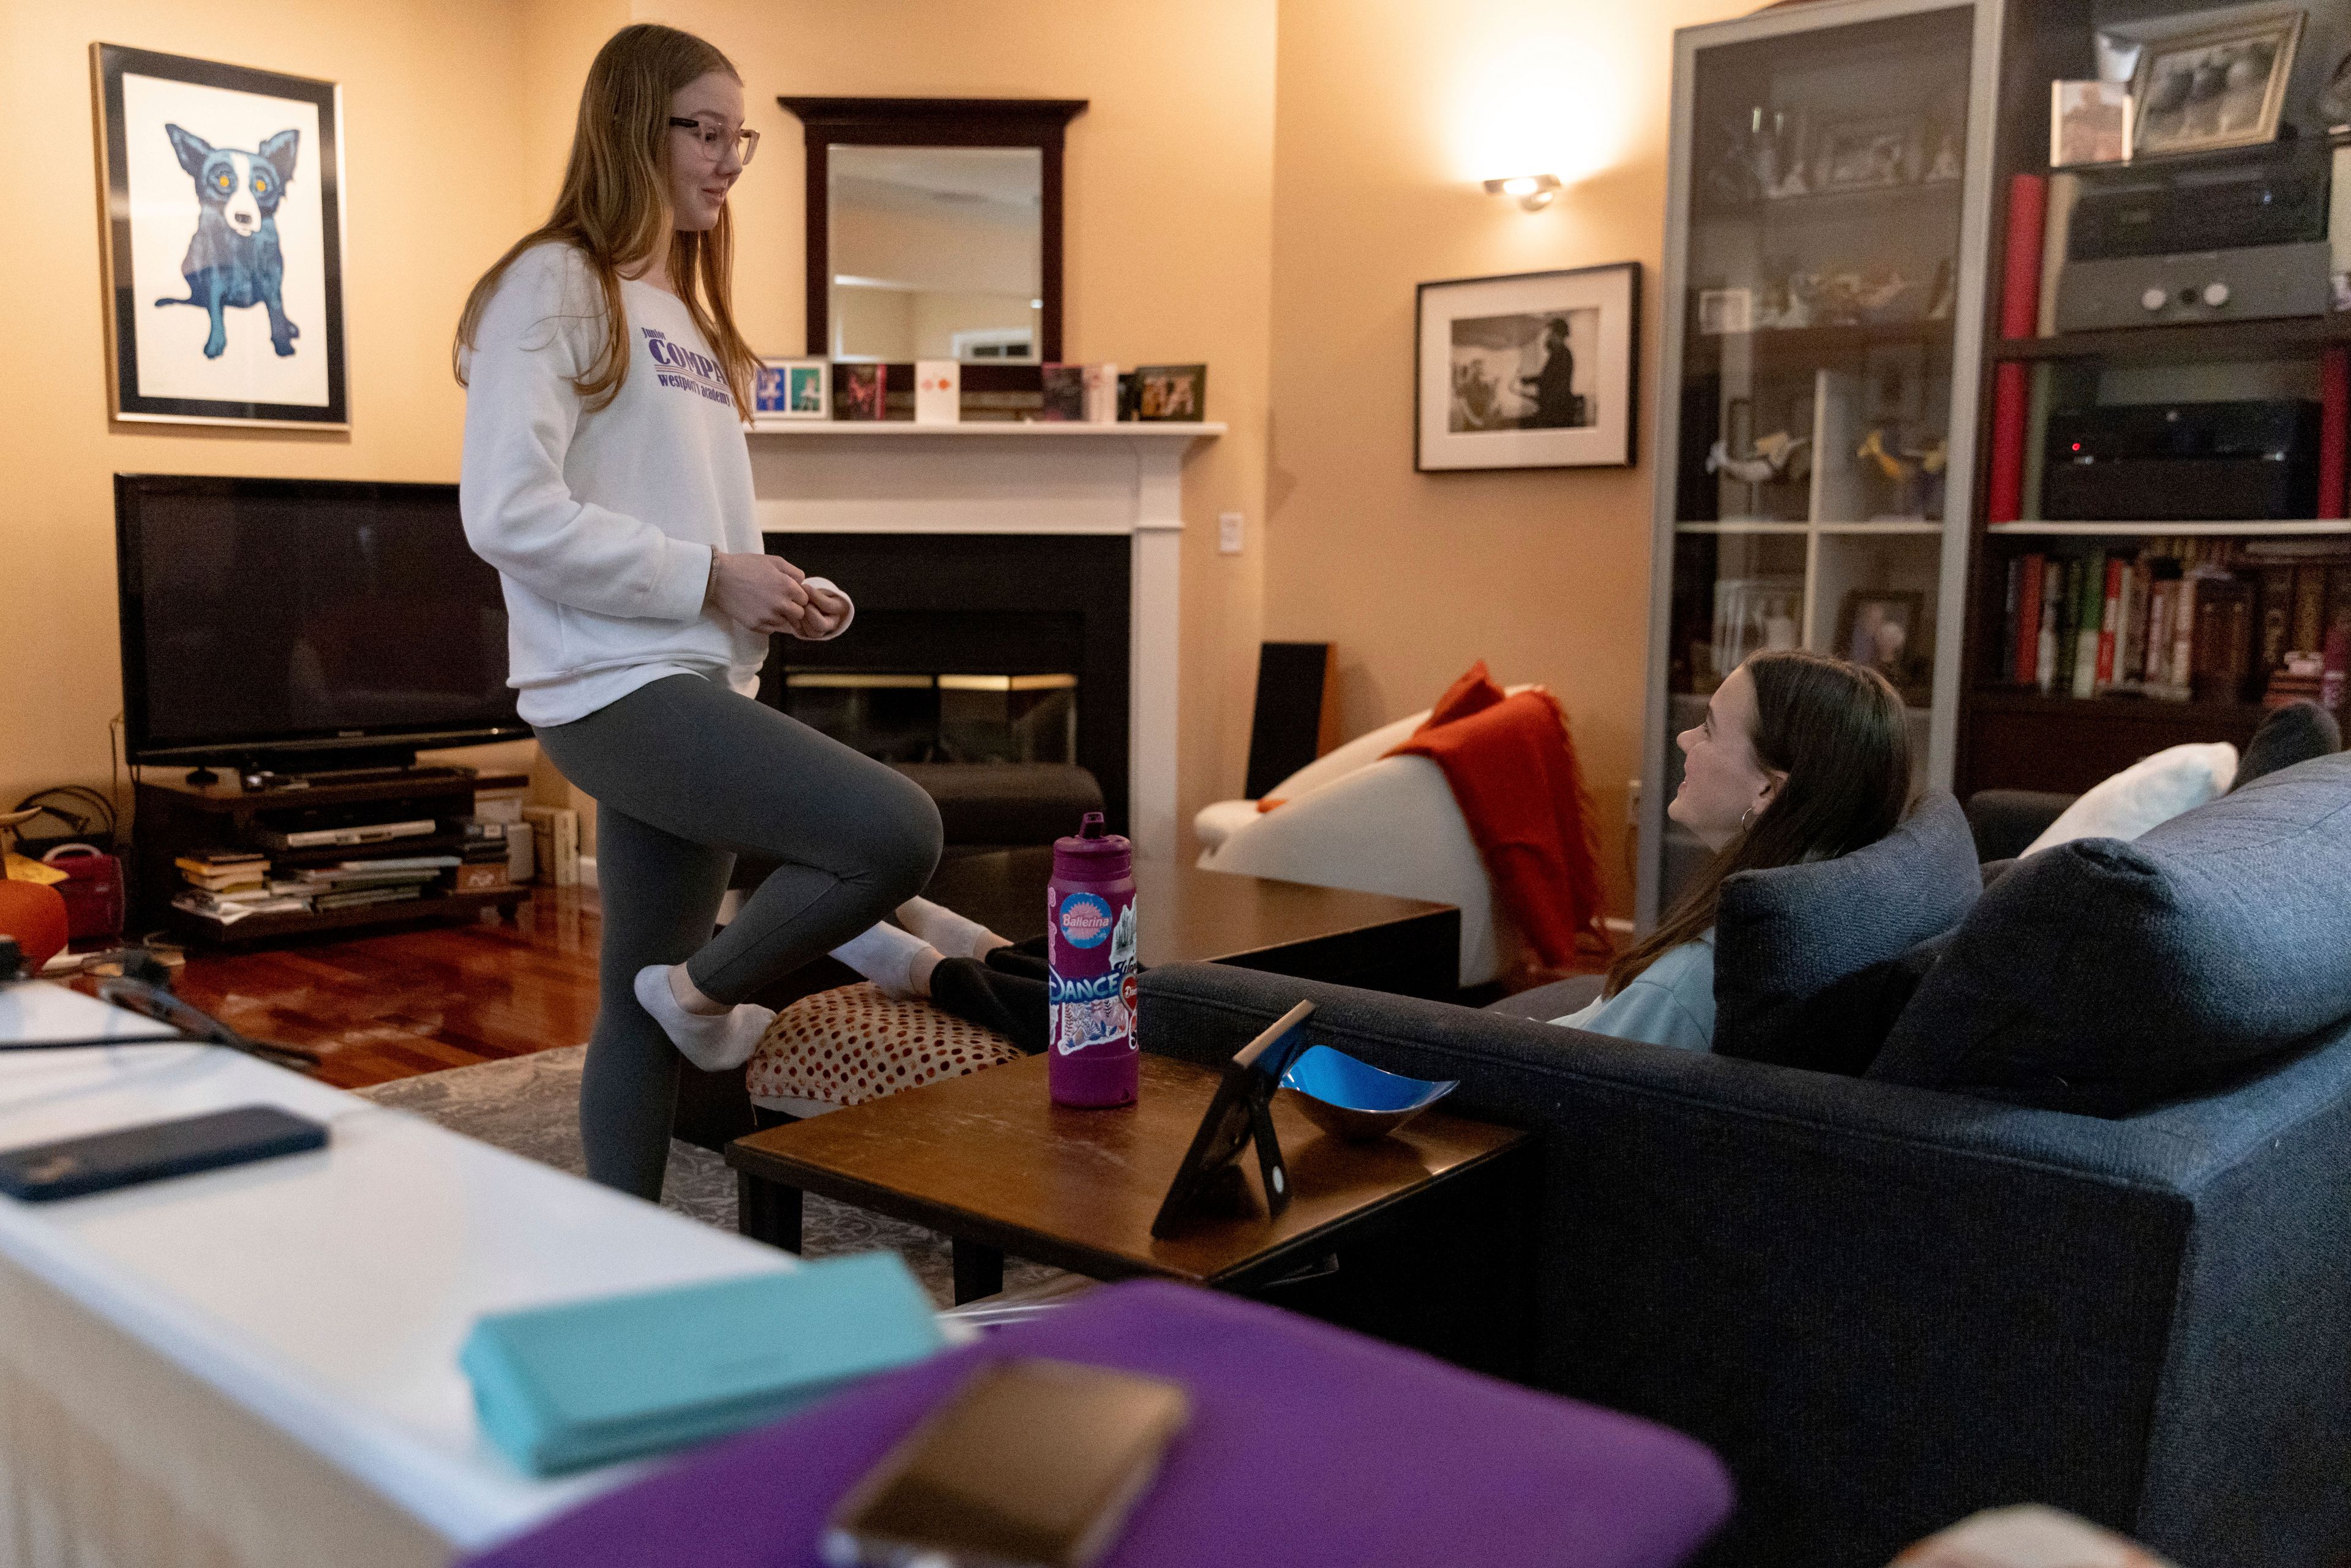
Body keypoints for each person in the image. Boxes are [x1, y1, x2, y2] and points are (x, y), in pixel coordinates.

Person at [454, 24, 942, 1198]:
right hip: (613, 689)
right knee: (894, 833)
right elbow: (508, 513)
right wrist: (712, 577)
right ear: (637, 126)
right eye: (704, 133)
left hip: (695, 671)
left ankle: (626, 1256)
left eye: (741, 139)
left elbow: (694, 519)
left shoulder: (686, 314)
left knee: (634, 992)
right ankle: (719, 985)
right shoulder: (556, 282)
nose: (728, 161)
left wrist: (776, 596)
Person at [1553, 649, 1911, 1051]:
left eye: (1708, 729)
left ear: (1766, 789)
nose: (1684, 738)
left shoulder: (1693, 979)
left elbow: (1548, 1070)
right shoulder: (1834, 902)